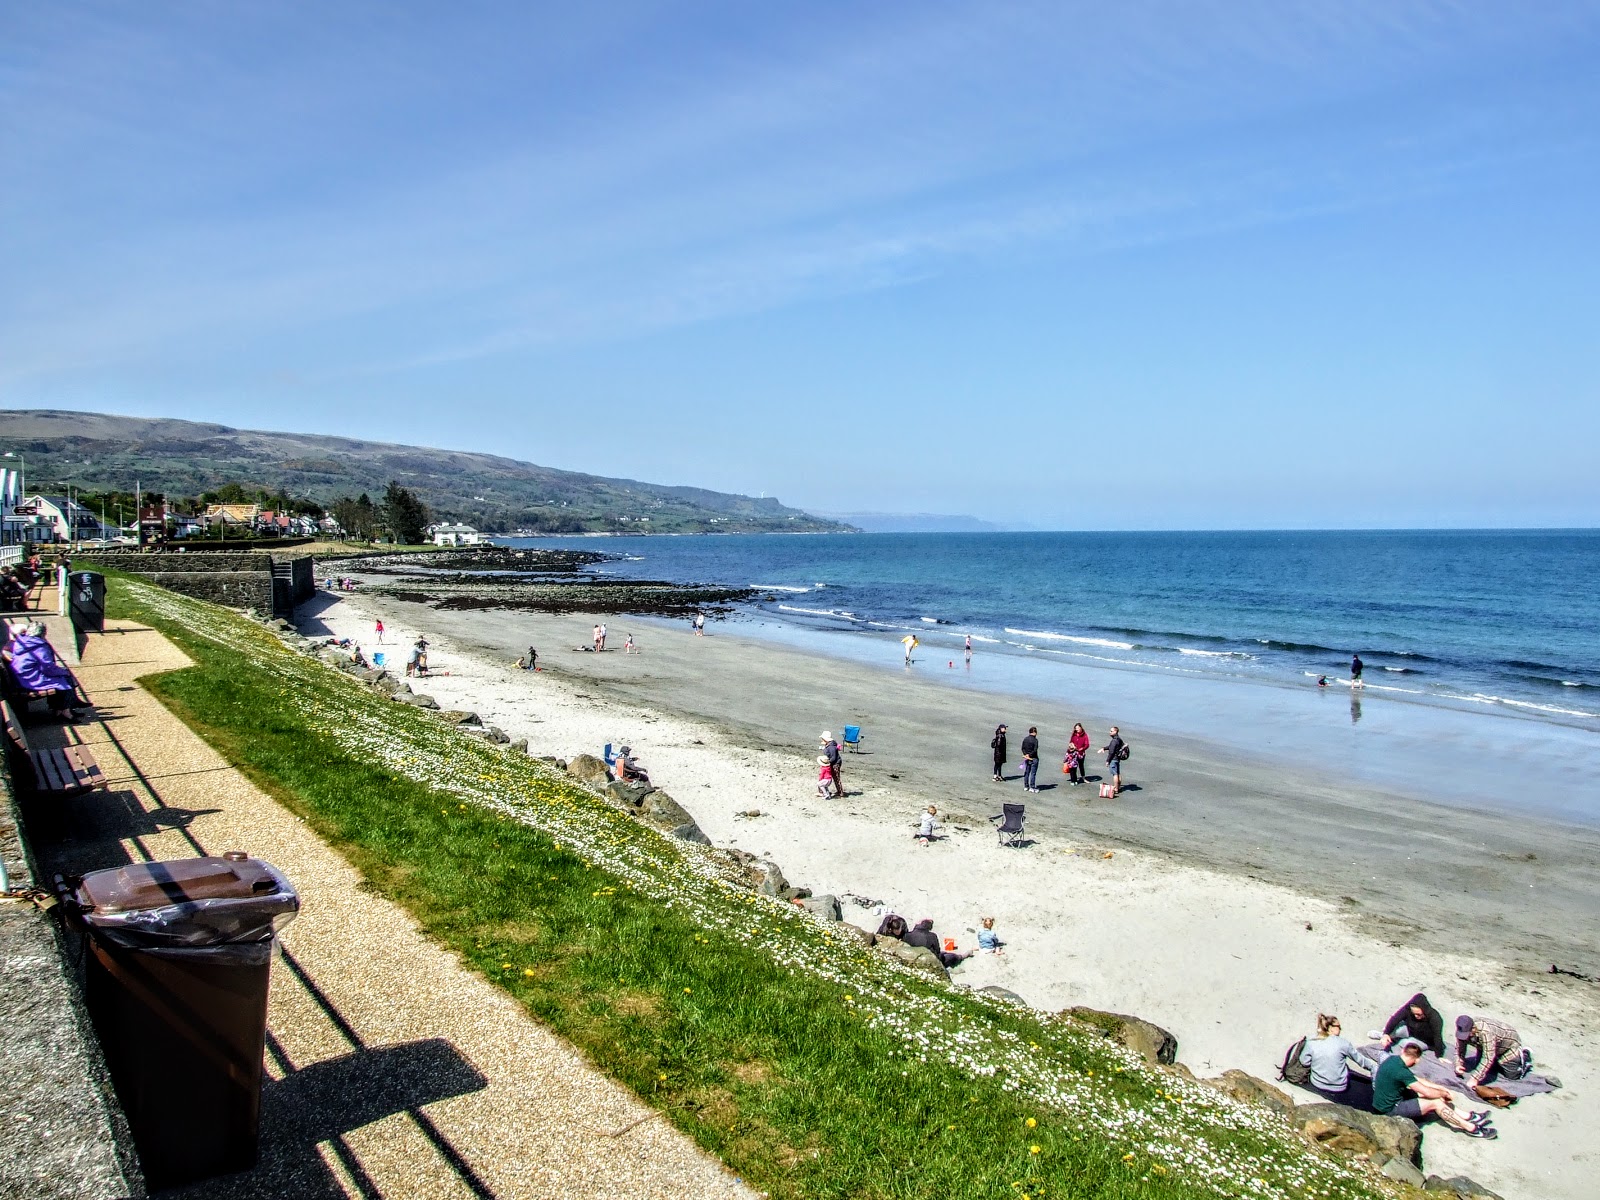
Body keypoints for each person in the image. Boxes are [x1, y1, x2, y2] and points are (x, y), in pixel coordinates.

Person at [1372, 1042, 1492, 1136]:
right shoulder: (1401, 1071)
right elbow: (1426, 1091)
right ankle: (1472, 1128)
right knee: (1435, 1102)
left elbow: (1417, 1080)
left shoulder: (1393, 1061)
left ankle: (1467, 1116)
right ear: (1417, 1059)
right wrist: (1443, 1094)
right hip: (1390, 1110)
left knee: (1435, 1096)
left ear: (1403, 1051)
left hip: (1385, 1103)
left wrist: (1441, 1088)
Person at [1, 623, 85, 719]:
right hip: (31, 679)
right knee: (65, 678)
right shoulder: (40, 646)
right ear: (43, 633)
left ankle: (62, 709)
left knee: (64, 675)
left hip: (21, 676)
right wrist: (63, 672)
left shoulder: (21, 642)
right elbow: (48, 668)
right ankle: (65, 710)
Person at [1299, 1015, 1377, 1110]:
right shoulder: (1343, 1044)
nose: (1340, 1029)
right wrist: (1373, 1067)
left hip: (1317, 1083)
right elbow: (1361, 1061)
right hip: (1339, 1086)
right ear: (1331, 1028)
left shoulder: (1311, 1042)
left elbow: (1304, 1062)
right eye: (1338, 1027)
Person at [1455, 1015, 1531, 1088]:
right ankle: (1496, 1060)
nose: (1464, 1037)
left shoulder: (1486, 1032)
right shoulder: (1462, 1030)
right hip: (1489, 1047)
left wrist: (1475, 1079)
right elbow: (1459, 1048)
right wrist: (1458, 1064)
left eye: (1467, 1034)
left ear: (1473, 1029)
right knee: (1484, 1068)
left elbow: (1487, 1058)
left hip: (1508, 1047)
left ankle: (1525, 1055)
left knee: (1512, 1076)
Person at [1379, 993, 1446, 1057]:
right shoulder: (1408, 1009)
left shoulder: (1435, 1019)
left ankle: (1392, 1041)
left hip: (1424, 1041)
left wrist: (1439, 1055)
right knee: (1396, 1030)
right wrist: (1386, 1033)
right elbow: (1396, 1018)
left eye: (1419, 1014)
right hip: (1409, 1030)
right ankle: (1384, 1036)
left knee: (1406, 1044)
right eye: (1414, 1014)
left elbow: (1437, 1037)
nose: (1416, 1016)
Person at [1102, 726, 1126, 796]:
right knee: (1118, 773)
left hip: (1114, 759)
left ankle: (1116, 789)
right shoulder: (1119, 740)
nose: (1110, 732)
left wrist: (1107, 761)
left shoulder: (1114, 741)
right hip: (1118, 759)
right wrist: (1104, 748)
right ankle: (1118, 787)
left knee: (1115, 774)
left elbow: (1111, 752)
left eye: (1111, 731)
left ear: (1115, 732)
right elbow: (1111, 747)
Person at [820, 731, 843, 797]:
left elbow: (834, 757)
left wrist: (827, 762)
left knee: (836, 777)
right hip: (832, 763)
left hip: (835, 763)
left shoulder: (831, 747)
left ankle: (840, 792)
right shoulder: (828, 745)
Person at [1020, 726, 1040, 792]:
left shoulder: (1025, 739)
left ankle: (1026, 786)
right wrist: (1029, 755)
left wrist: (1026, 754)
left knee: (1027, 772)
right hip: (1033, 758)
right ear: (1034, 732)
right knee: (1033, 773)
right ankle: (1032, 787)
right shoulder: (1035, 740)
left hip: (1027, 758)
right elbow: (1035, 750)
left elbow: (1022, 748)